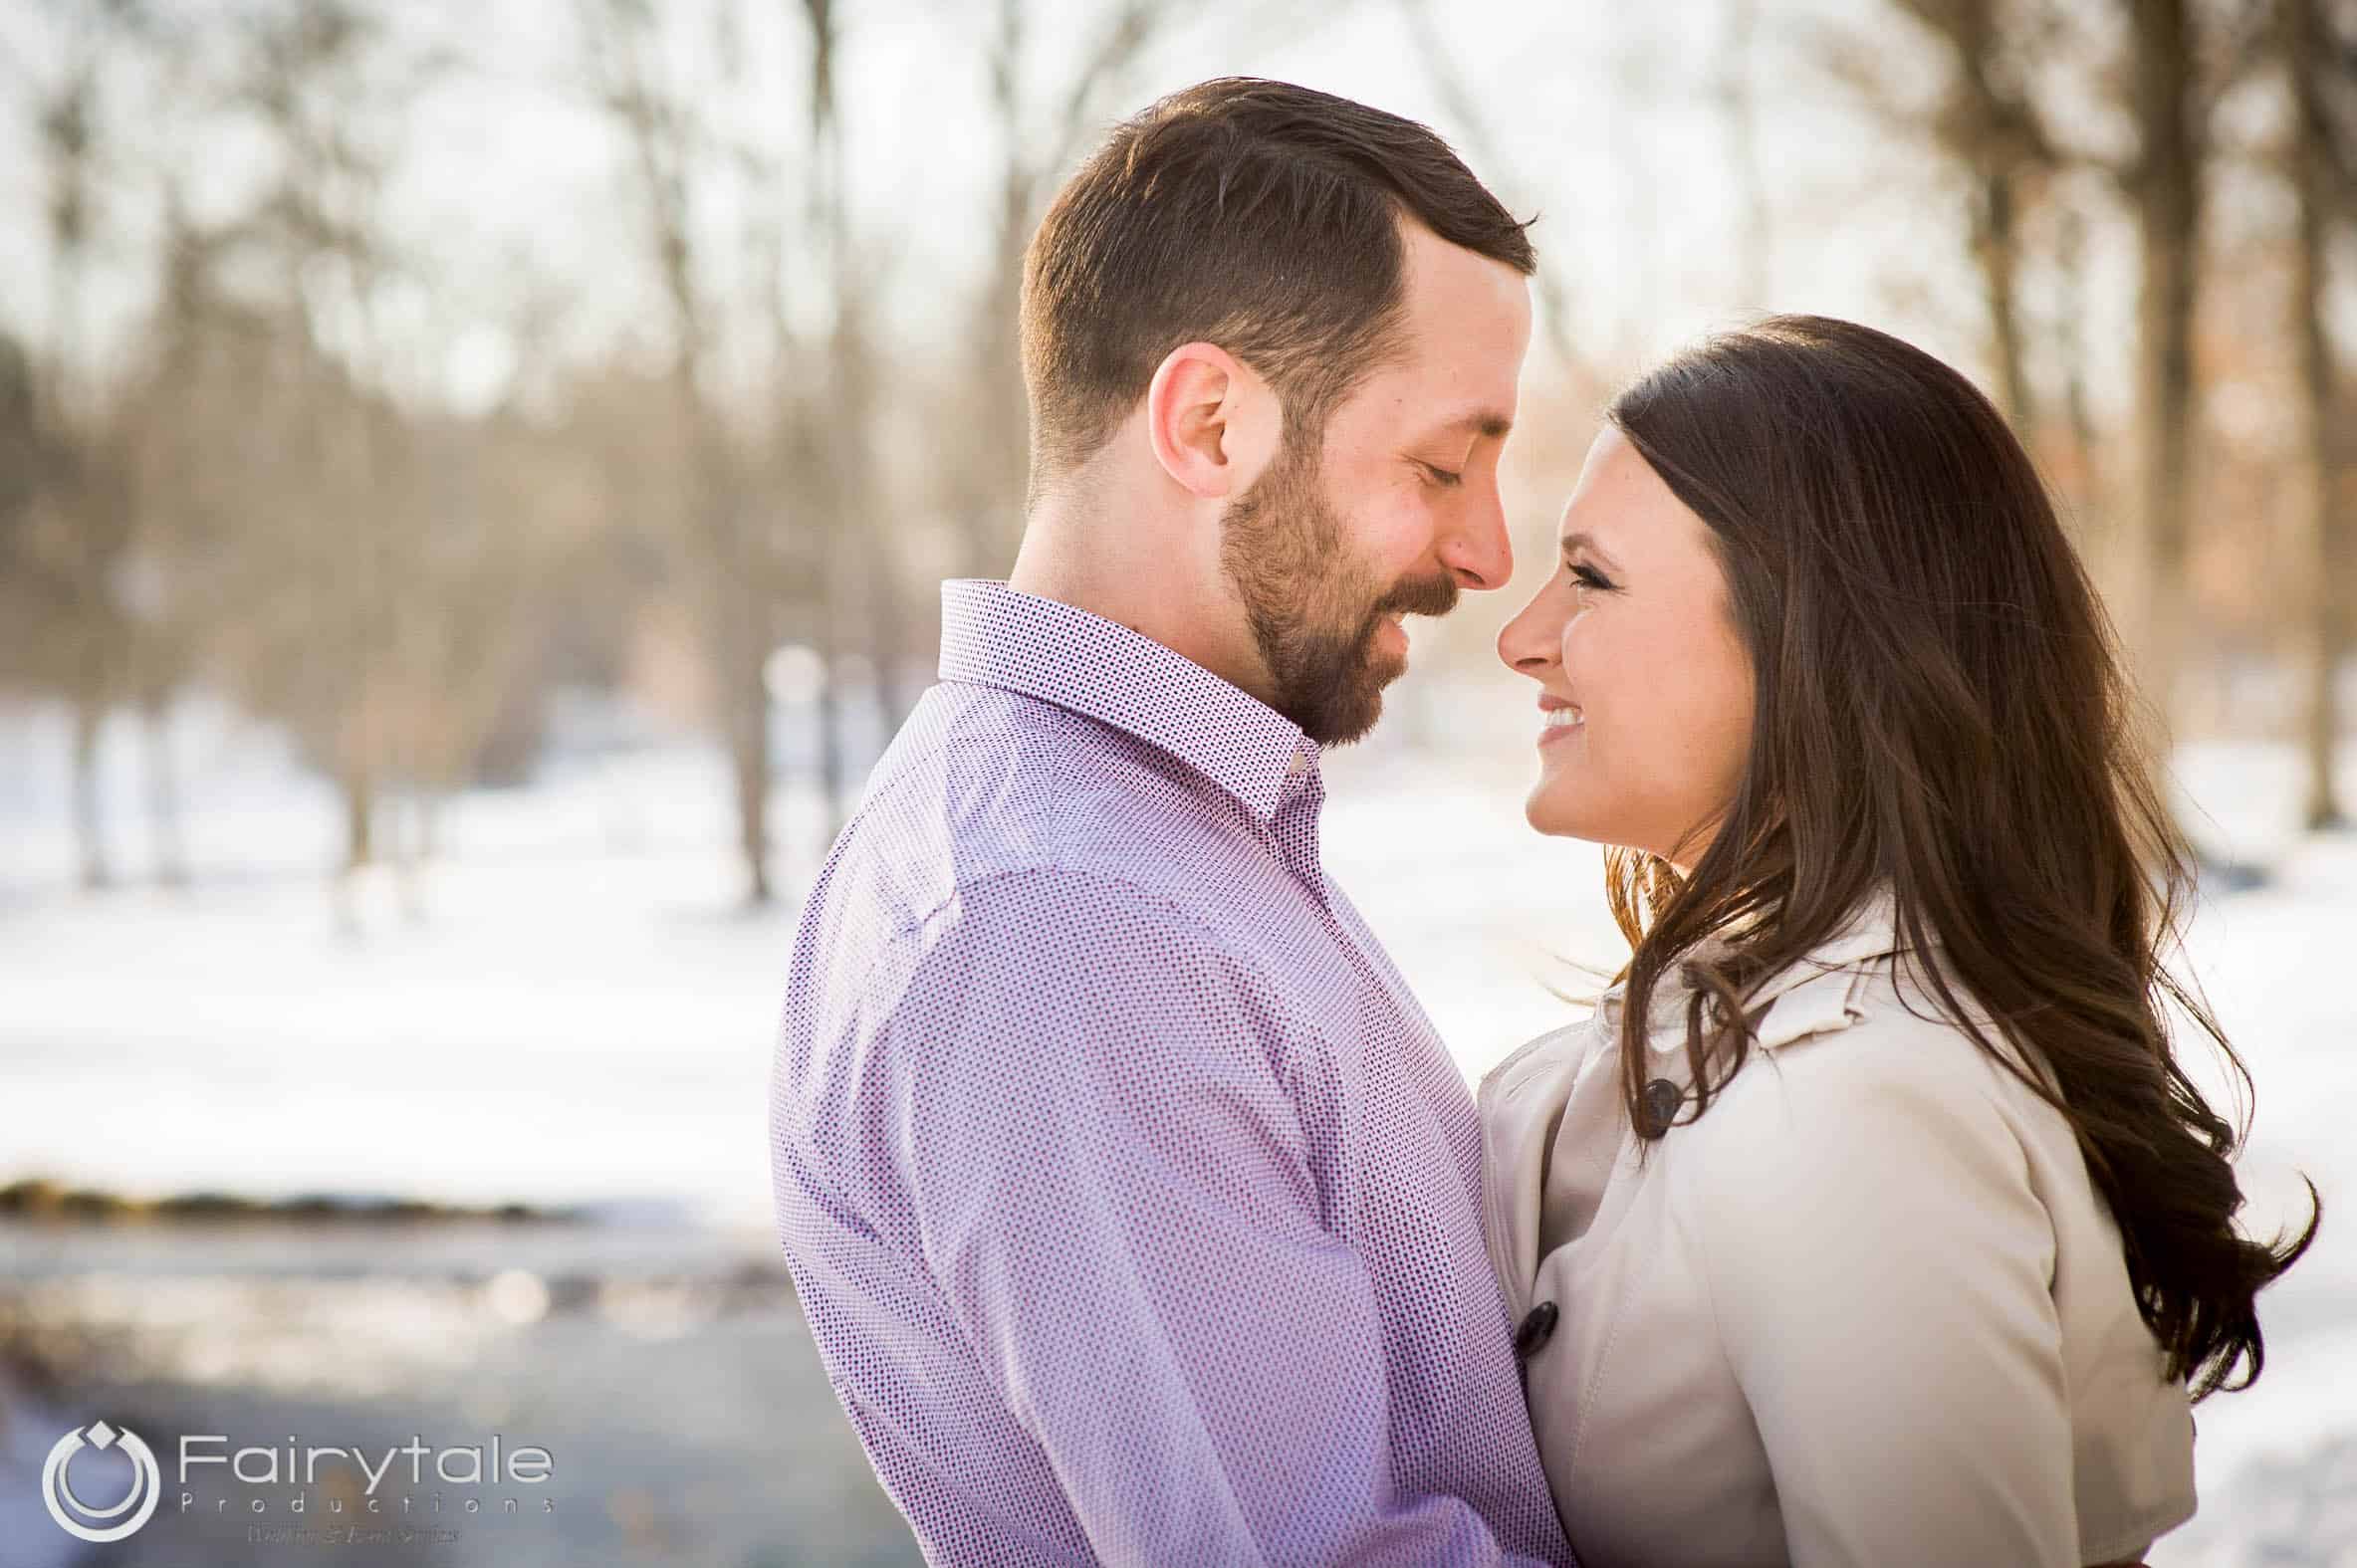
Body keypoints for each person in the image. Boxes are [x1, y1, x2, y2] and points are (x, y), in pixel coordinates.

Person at [771, 79, 1573, 1565]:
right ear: (1210, 420)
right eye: (1439, 464)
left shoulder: (1161, 837)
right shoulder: (1063, 917)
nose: (1483, 549)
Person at [1485, 315, 2318, 1568]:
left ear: (1804, 637)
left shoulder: (1854, 1101)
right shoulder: (1775, 1033)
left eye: (1591, 577)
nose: (1521, 636)